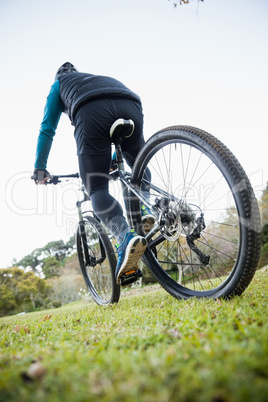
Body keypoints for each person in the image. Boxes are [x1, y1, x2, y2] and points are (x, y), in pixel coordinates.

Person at [33, 62, 154, 284]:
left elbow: (47, 128)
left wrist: (40, 168)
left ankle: (124, 237)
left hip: (91, 111)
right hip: (131, 104)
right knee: (139, 167)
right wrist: (112, 160)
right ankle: (147, 205)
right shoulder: (94, 78)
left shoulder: (59, 84)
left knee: (97, 188)